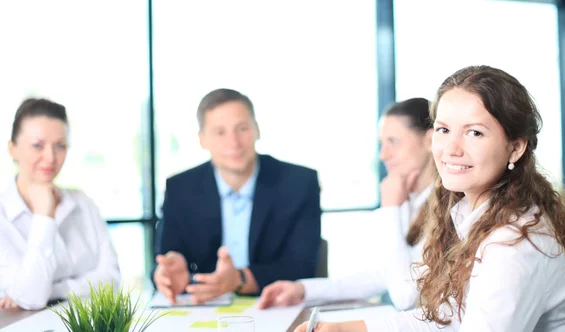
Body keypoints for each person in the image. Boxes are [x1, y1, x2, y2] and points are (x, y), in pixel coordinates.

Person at [294, 65, 565, 331]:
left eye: (474, 133)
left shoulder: (516, 243)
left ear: (515, 148)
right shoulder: (470, 214)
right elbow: (446, 318)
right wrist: (346, 329)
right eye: (443, 129)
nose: (451, 148)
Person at [257, 98, 435, 311]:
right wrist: (303, 289)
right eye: (382, 143)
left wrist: (390, 209)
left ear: (430, 141)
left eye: (393, 142)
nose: (383, 154)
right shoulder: (411, 203)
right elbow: (381, 275)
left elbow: (404, 297)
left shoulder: (446, 209)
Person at [153, 88, 321, 304]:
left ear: (257, 130)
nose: (234, 142)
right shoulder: (180, 188)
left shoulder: (299, 183)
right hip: (202, 308)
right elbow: (163, 260)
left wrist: (239, 280)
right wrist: (166, 274)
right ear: (202, 139)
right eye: (220, 132)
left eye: (242, 129)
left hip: (276, 305)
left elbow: (302, 265)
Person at [0, 98, 120, 310]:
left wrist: (55, 289)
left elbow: (111, 279)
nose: (50, 158)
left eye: (60, 146)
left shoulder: (83, 203)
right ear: (13, 149)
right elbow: (31, 298)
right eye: (37, 145)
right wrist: (44, 217)